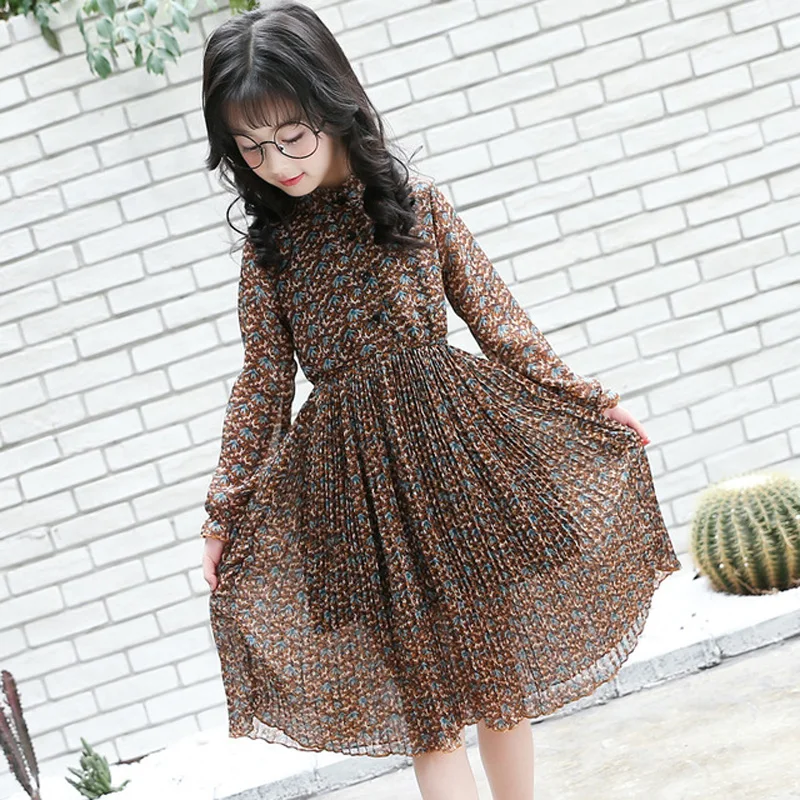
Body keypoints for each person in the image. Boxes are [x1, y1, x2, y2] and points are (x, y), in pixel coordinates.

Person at [198, 3, 681, 799]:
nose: (275, 161)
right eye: (251, 146)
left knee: (495, 676)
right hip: (354, 491)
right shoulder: (269, 255)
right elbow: (262, 387)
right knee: (428, 708)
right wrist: (224, 511)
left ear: (335, 107)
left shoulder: (416, 207)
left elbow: (499, 322)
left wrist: (589, 400)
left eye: (291, 135)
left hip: (454, 458)